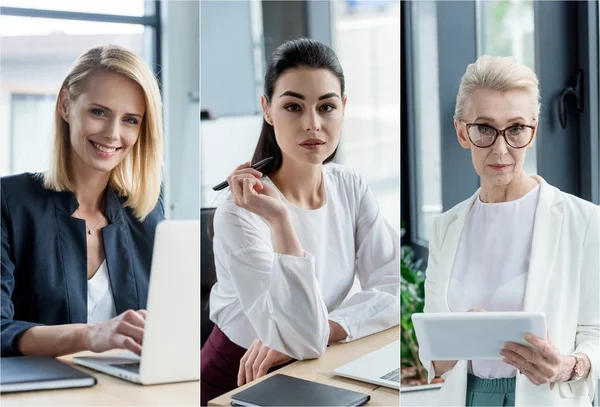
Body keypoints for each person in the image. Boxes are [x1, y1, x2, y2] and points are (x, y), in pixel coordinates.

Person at [200, 38, 400, 405]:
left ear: (344, 109)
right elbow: (300, 338)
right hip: (238, 381)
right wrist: (280, 220)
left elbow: (395, 289)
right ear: (267, 110)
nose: (313, 124)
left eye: (327, 107)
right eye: (293, 106)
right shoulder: (240, 212)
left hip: (315, 367)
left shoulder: (349, 186)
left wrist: (332, 329)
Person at [420, 55, 599, 406]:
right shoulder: (446, 228)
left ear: (532, 131)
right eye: (484, 128)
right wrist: (459, 338)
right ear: (462, 132)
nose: (501, 149)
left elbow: (597, 330)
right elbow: (435, 357)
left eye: (515, 128)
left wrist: (568, 366)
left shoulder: (585, 221)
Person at [1, 45, 165, 358]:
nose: (112, 133)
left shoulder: (147, 211)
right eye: (98, 112)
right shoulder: (9, 203)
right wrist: (90, 335)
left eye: (130, 119)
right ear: (65, 105)